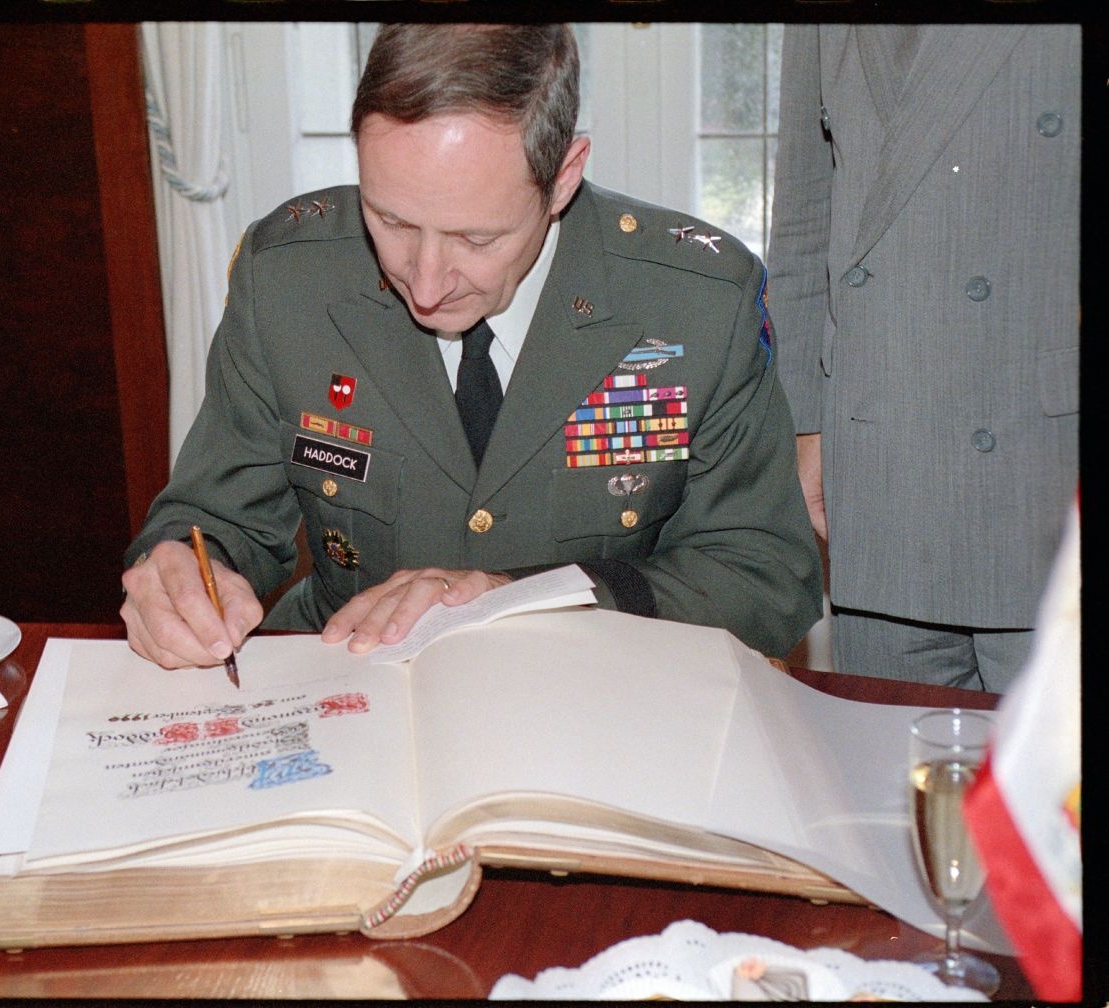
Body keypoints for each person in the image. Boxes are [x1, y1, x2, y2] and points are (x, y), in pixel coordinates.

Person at [123, 23, 821, 669]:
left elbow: (763, 575)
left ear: (564, 176)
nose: (425, 284)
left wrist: (515, 600)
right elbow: (213, 517)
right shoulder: (288, 279)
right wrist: (190, 573)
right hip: (352, 685)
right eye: (389, 219)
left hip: (598, 688)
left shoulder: (694, 301)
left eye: (476, 239)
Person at [766, 25, 1079, 691]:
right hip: (878, 448)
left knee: (1041, 788)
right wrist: (807, 423)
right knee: (886, 778)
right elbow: (802, 217)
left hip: (1039, 454)